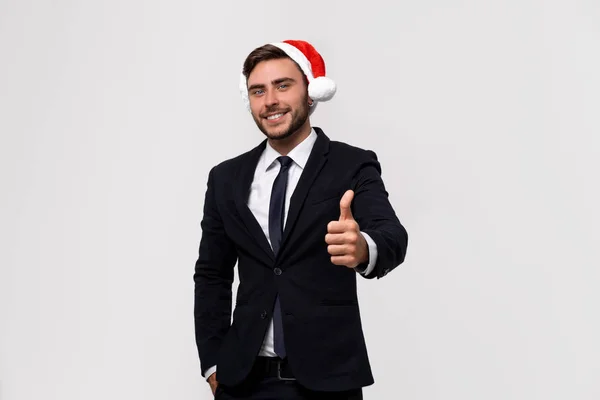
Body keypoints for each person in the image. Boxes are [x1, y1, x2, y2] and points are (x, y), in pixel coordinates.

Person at [193, 39, 408, 399]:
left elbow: (392, 235)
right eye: (258, 91)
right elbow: (212, 274)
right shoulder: (225, 178)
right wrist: (213, 366)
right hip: (243, 380)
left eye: (283, 85)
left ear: (310, 92)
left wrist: (362, 248)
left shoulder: (351, 164)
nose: (270, 100)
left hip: (328, 380)